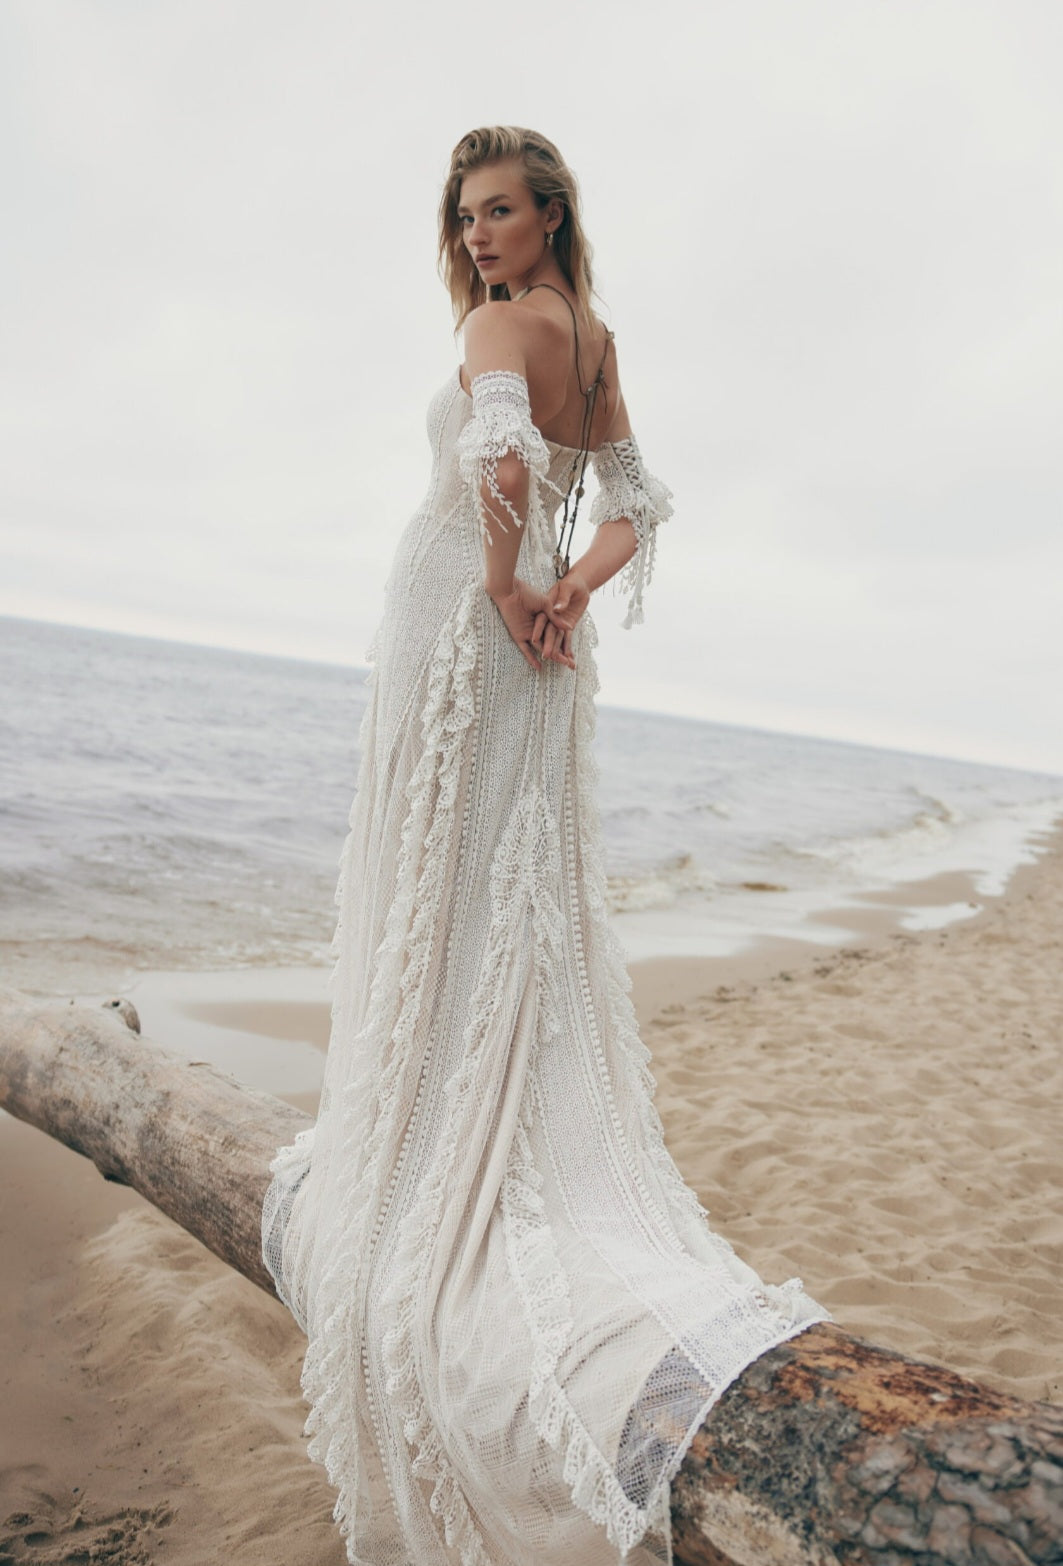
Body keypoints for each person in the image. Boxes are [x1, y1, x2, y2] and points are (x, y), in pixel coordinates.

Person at [262, 125, 827, 1566]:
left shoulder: (504, 325)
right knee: (493, 890)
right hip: (527, 648)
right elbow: (637, 497)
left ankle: (437, 1128)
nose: (480, 240)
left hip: (461, 617)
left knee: (437, 879)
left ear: (553, 210)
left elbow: (506, 452)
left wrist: (515, 578)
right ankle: (474, 1103)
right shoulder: (600, 336)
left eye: (502, 212)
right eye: (466, 220)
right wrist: (570, 595)